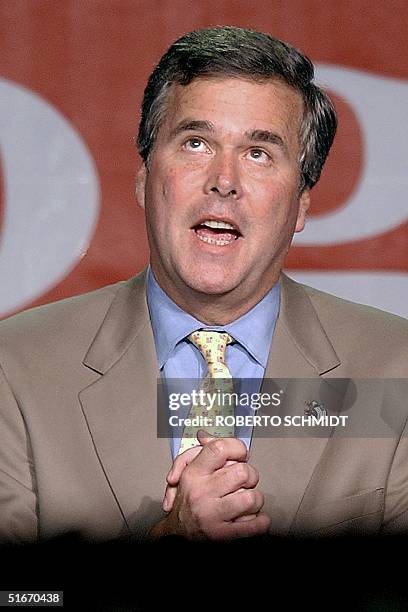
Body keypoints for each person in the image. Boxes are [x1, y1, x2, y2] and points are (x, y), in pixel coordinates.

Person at [0, 26, 407, 545]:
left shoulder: (398, 368)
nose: (224, 180)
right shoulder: (14, 371)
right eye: (196, 143)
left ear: (302, 203)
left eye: (259, 153)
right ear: (145, 177)